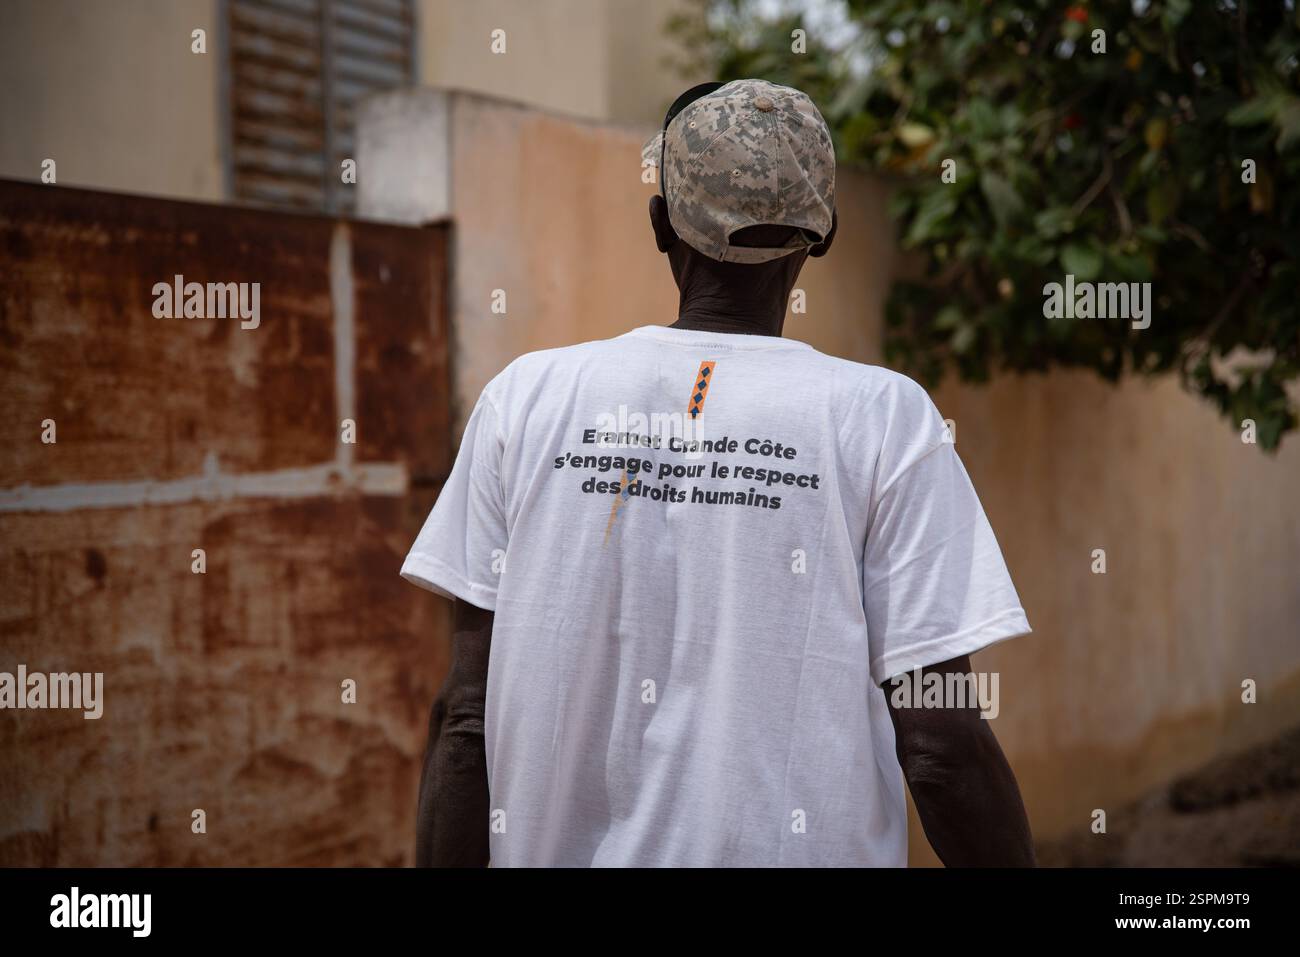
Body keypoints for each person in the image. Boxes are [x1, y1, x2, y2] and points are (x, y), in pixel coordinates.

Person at [401, 78, 1035, 867]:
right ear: (823, 232)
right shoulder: (883, 418)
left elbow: (466, 720)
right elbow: (941, 745)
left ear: (661, 222)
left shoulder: (524, 401)